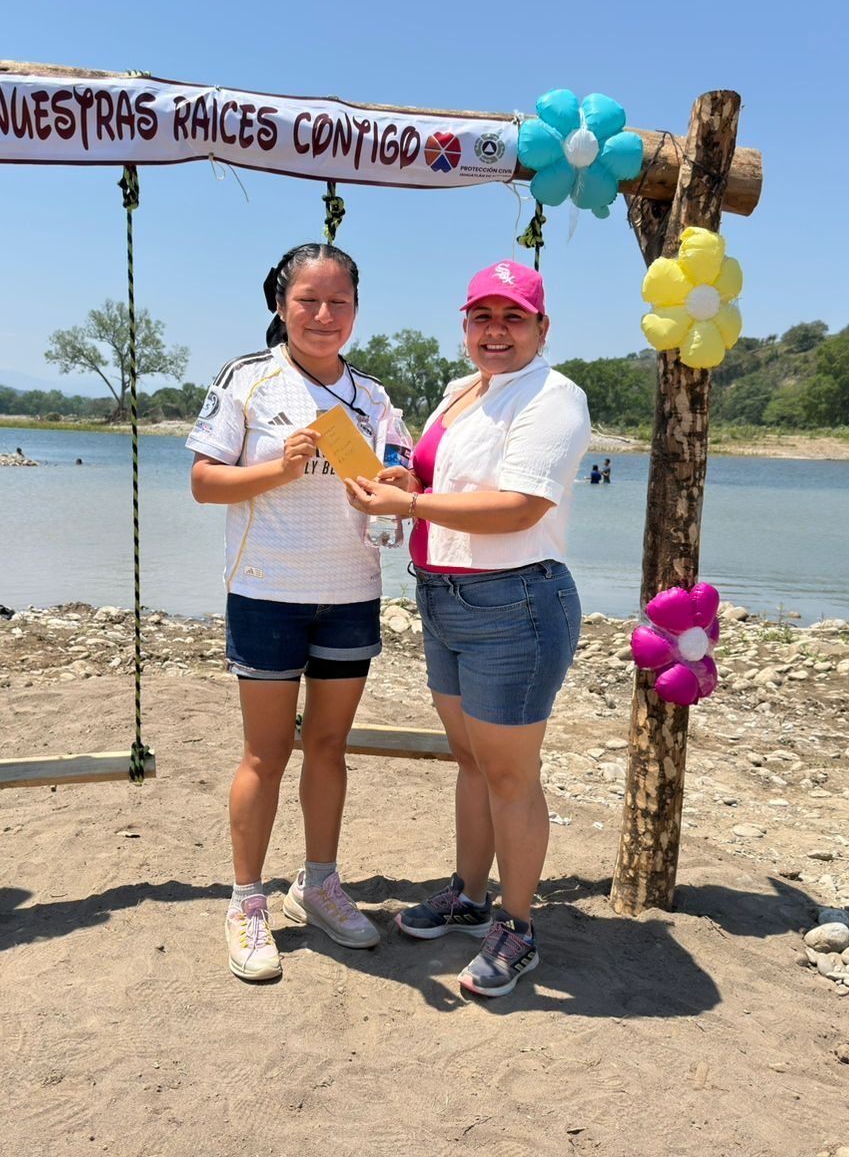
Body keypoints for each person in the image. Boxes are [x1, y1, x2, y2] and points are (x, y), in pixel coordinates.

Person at [345, 259, 591, 998]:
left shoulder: (554, 397)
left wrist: (409, 508)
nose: (496, 331)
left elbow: (520, 506)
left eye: (513, 317)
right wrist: (408, 484)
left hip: (515, 602)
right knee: (471, 761)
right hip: (444, 595)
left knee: (511, 774)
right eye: (482, 316)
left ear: (542, 328)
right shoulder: (462, 390)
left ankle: (518, 927)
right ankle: (469, 894)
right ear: (465, 326)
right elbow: (441, 482)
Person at [188, 242, 408, 983]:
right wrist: (279, 467)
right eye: (307, 300)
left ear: (356, 310)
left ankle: (318, 885)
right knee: (265, 754)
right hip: (266, 592)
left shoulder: (373, 396)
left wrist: (396, 486)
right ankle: (246, 902)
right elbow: (203, 483)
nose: (322, 314)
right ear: (280, 305)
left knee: (329, 747)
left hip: (351, 592)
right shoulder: (247, 379)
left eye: (338, 301)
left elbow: (399, 473)